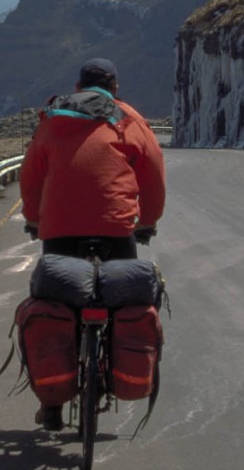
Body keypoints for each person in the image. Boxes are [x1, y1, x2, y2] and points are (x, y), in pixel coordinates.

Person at [18, 57, 166, 430]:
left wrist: (34, 219)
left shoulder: (53, 117)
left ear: (79, 86)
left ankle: (51, 403)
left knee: (55, 305)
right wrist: (147, 221)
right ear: (114, 86)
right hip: (116, 229)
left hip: (59, 229)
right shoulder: (127, 117)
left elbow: (31, 175)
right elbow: (152, 173)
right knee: (121, 300)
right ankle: (117, 372)